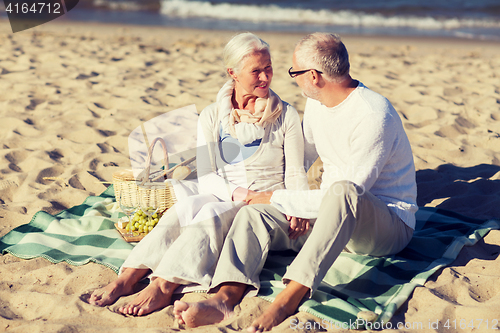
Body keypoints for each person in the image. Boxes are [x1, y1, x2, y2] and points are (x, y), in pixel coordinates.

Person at [173, 32, 417, 331]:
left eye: (294, 72)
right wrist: (291, 204)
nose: (288, 79)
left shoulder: (373, 115)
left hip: (384, 228)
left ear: (313, 76)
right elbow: (302, 159)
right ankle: (225, 297)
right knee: (253, 214)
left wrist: (275, 198)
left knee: (339, 191)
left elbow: (351, 193)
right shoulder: (316, 103)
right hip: (328, 216)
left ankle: (286, 299)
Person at [88, 32, 308, 316]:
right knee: (190, 204)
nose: (266, 77)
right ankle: (127, 278)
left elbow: (295, 173)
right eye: (256, 71)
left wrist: (297, 206)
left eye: (269, 68)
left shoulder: (285, 115)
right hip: (232, 195)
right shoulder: (212, 116)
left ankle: (163, 286)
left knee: (212, 212)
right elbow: (207, 175)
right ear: (233, 73)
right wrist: (243, 195)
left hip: (268, 207)